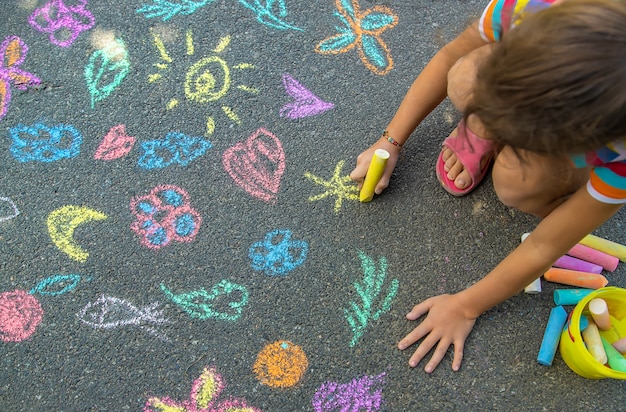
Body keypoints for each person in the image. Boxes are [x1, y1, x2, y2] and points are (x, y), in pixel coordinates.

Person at [350, 0, 626, 373]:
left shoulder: (618, 158)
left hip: (590, 135)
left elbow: (546, 243)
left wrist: (466, 305)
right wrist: (390, 142)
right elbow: (451, 56)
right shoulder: (529, 12)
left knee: (515, 184)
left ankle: (532, 162)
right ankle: (489, 121)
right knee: (465, 75)